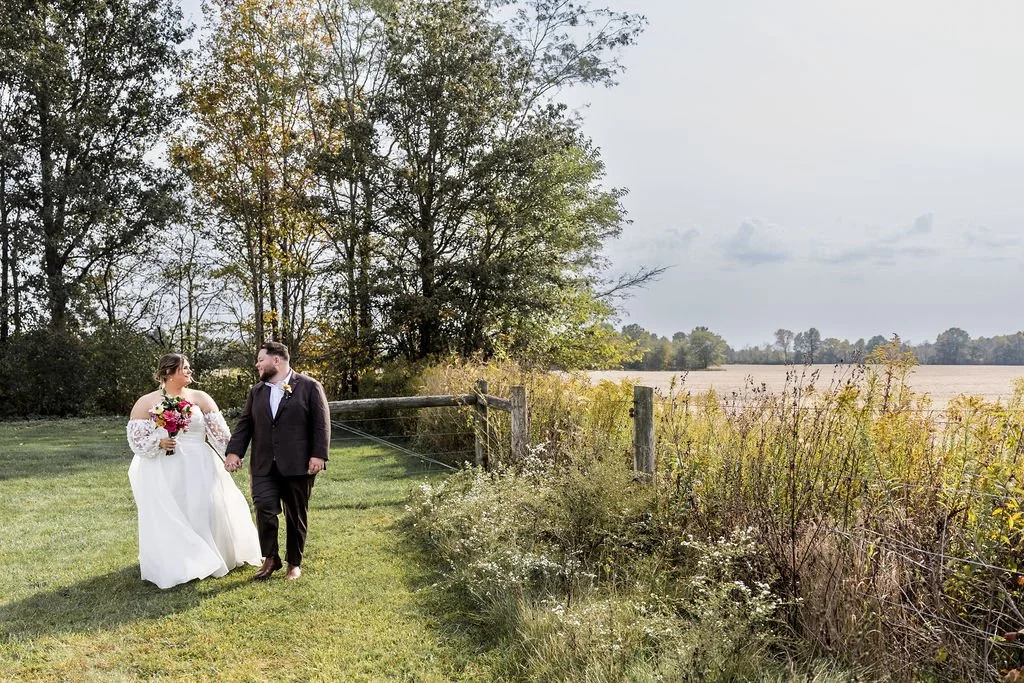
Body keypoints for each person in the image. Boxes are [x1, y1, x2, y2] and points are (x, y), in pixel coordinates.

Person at [126, 354, 262, 589]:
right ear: (169, 372)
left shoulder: (200, 398)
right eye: (185, 368)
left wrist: (231, 456)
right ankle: (178, 562)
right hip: (163, 468)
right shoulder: (146, 402)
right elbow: (136, 439)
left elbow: (220, 434)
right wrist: (158, 443)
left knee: (203, 508)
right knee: (172, 512)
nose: (190, 371)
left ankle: (210, 555)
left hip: (199, 463)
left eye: (189, 368)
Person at [225, 341, 330, 581]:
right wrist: (234, 452)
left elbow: (321, 423)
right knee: (263, 506)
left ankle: (295, 563)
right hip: (264, 464)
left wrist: (319, 455)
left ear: (276, 360)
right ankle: (270, 558)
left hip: (298, 463)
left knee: (296, 514)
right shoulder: (256, 391)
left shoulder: (309, 386)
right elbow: (245, 424)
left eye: (261, 360)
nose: (257, 364)